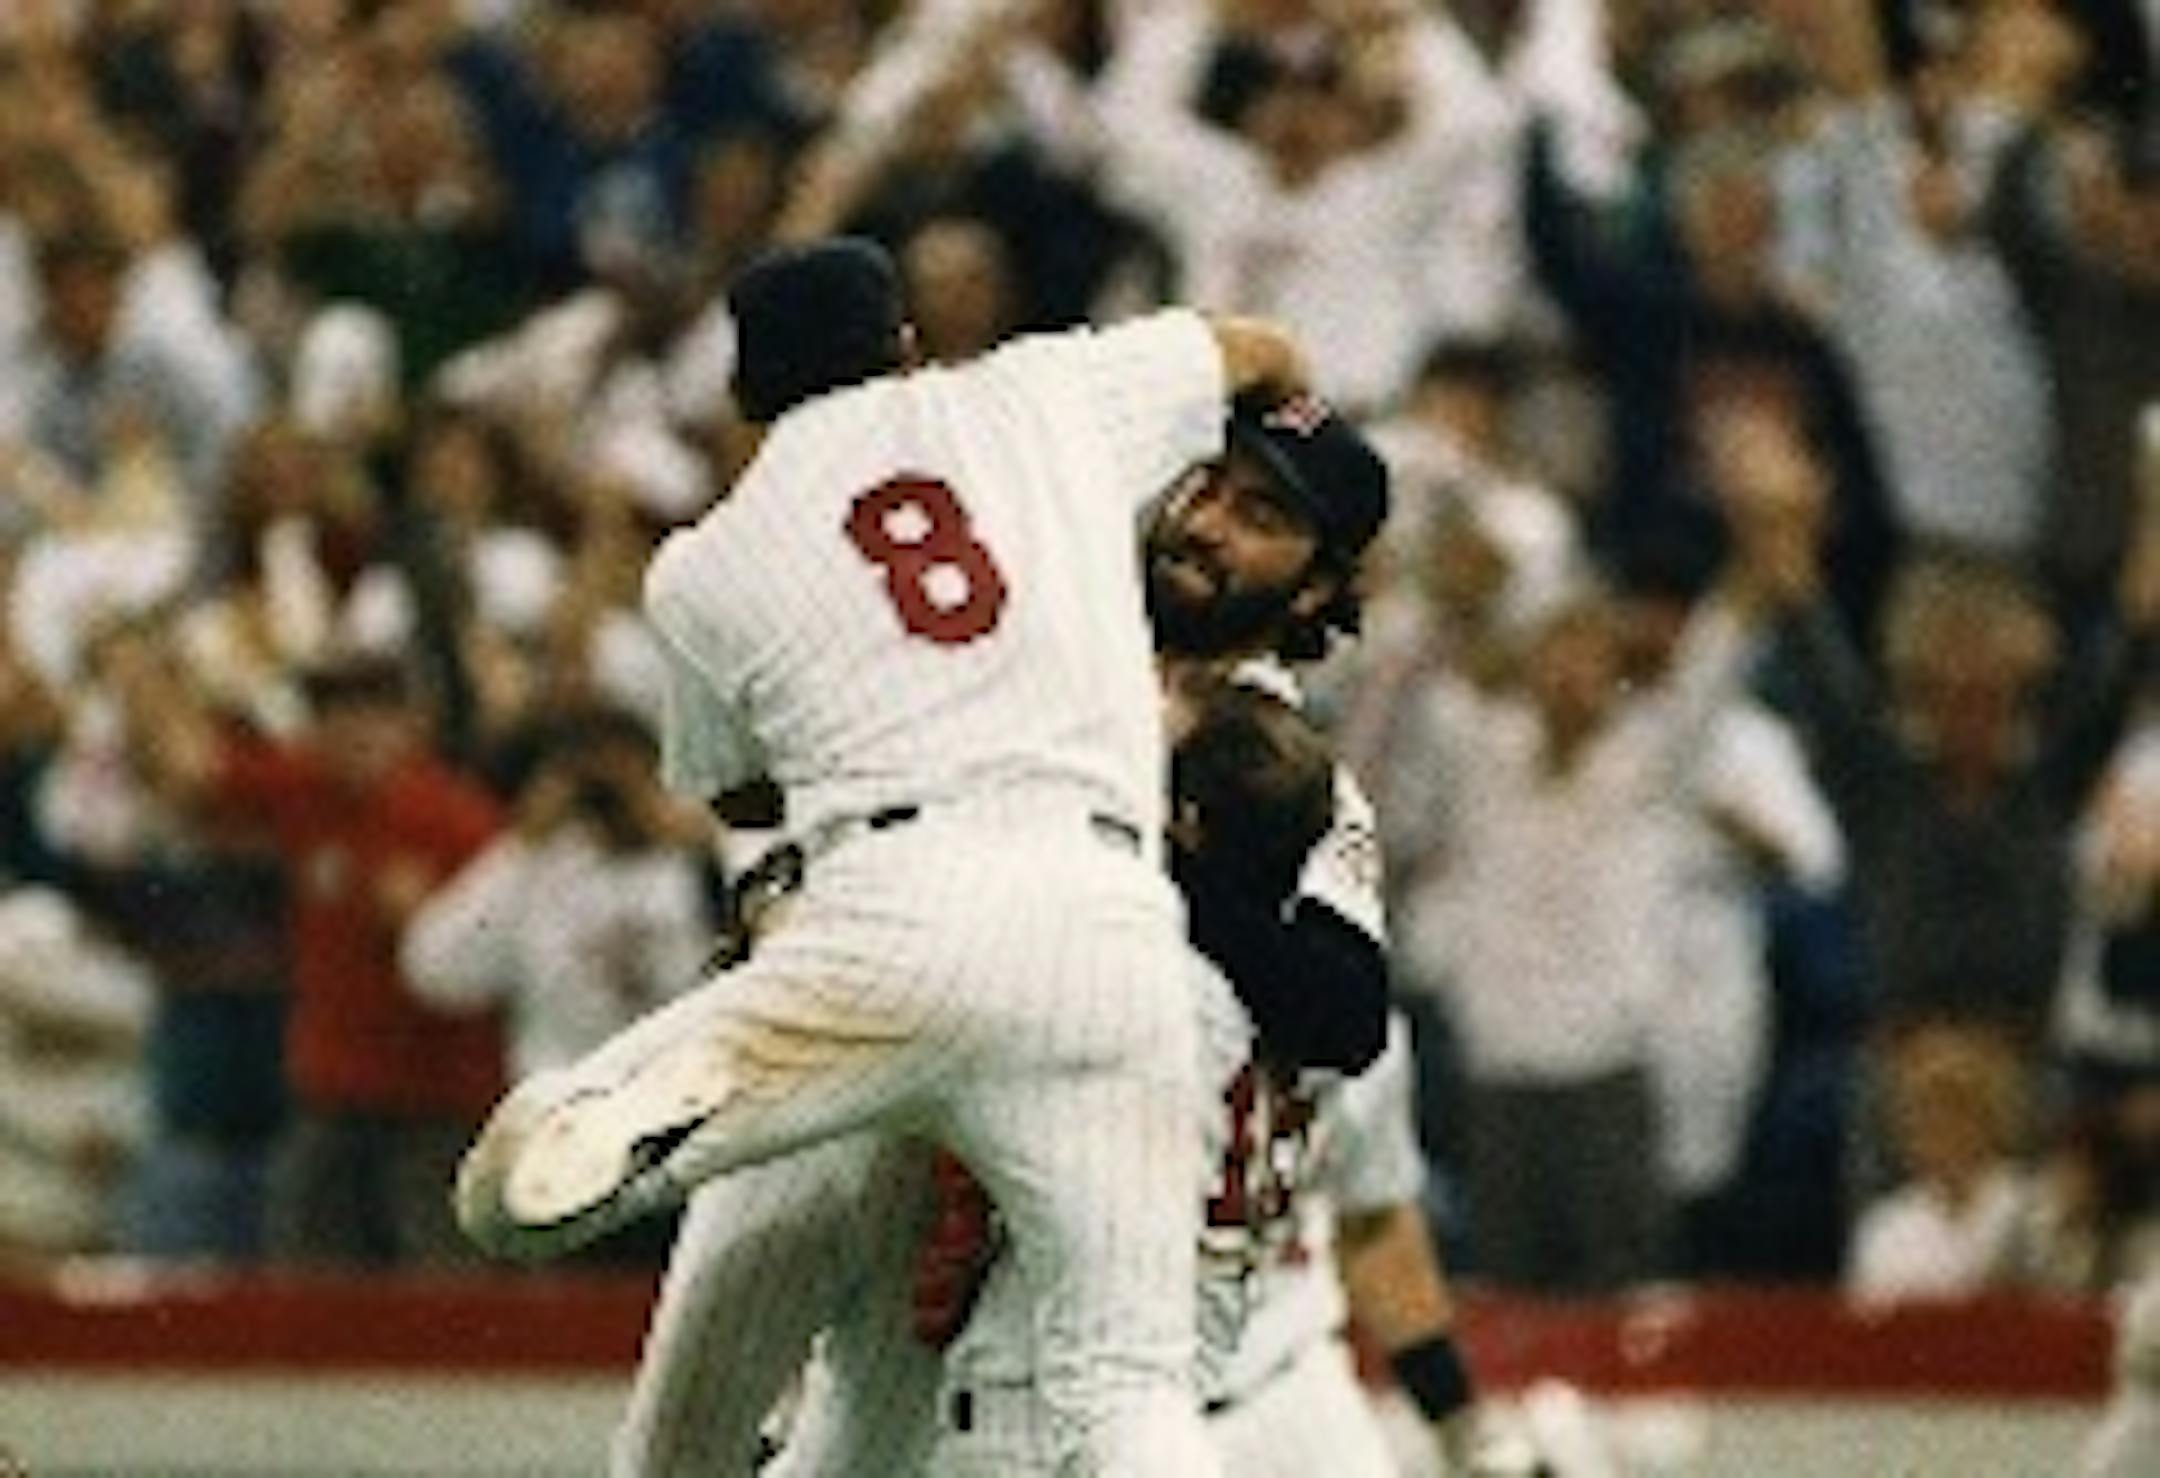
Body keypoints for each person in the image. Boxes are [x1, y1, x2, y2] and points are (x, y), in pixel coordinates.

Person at [455, 235, 1308, 1476]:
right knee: (1127, 1387)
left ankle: (637, 1100)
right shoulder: (1040, 395)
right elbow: (1263, 352)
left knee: (551, 1239)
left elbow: (739, 784)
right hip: (1103, 915)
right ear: (906, 341)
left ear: (748, 406)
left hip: (885, 911)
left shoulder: (706, 563)